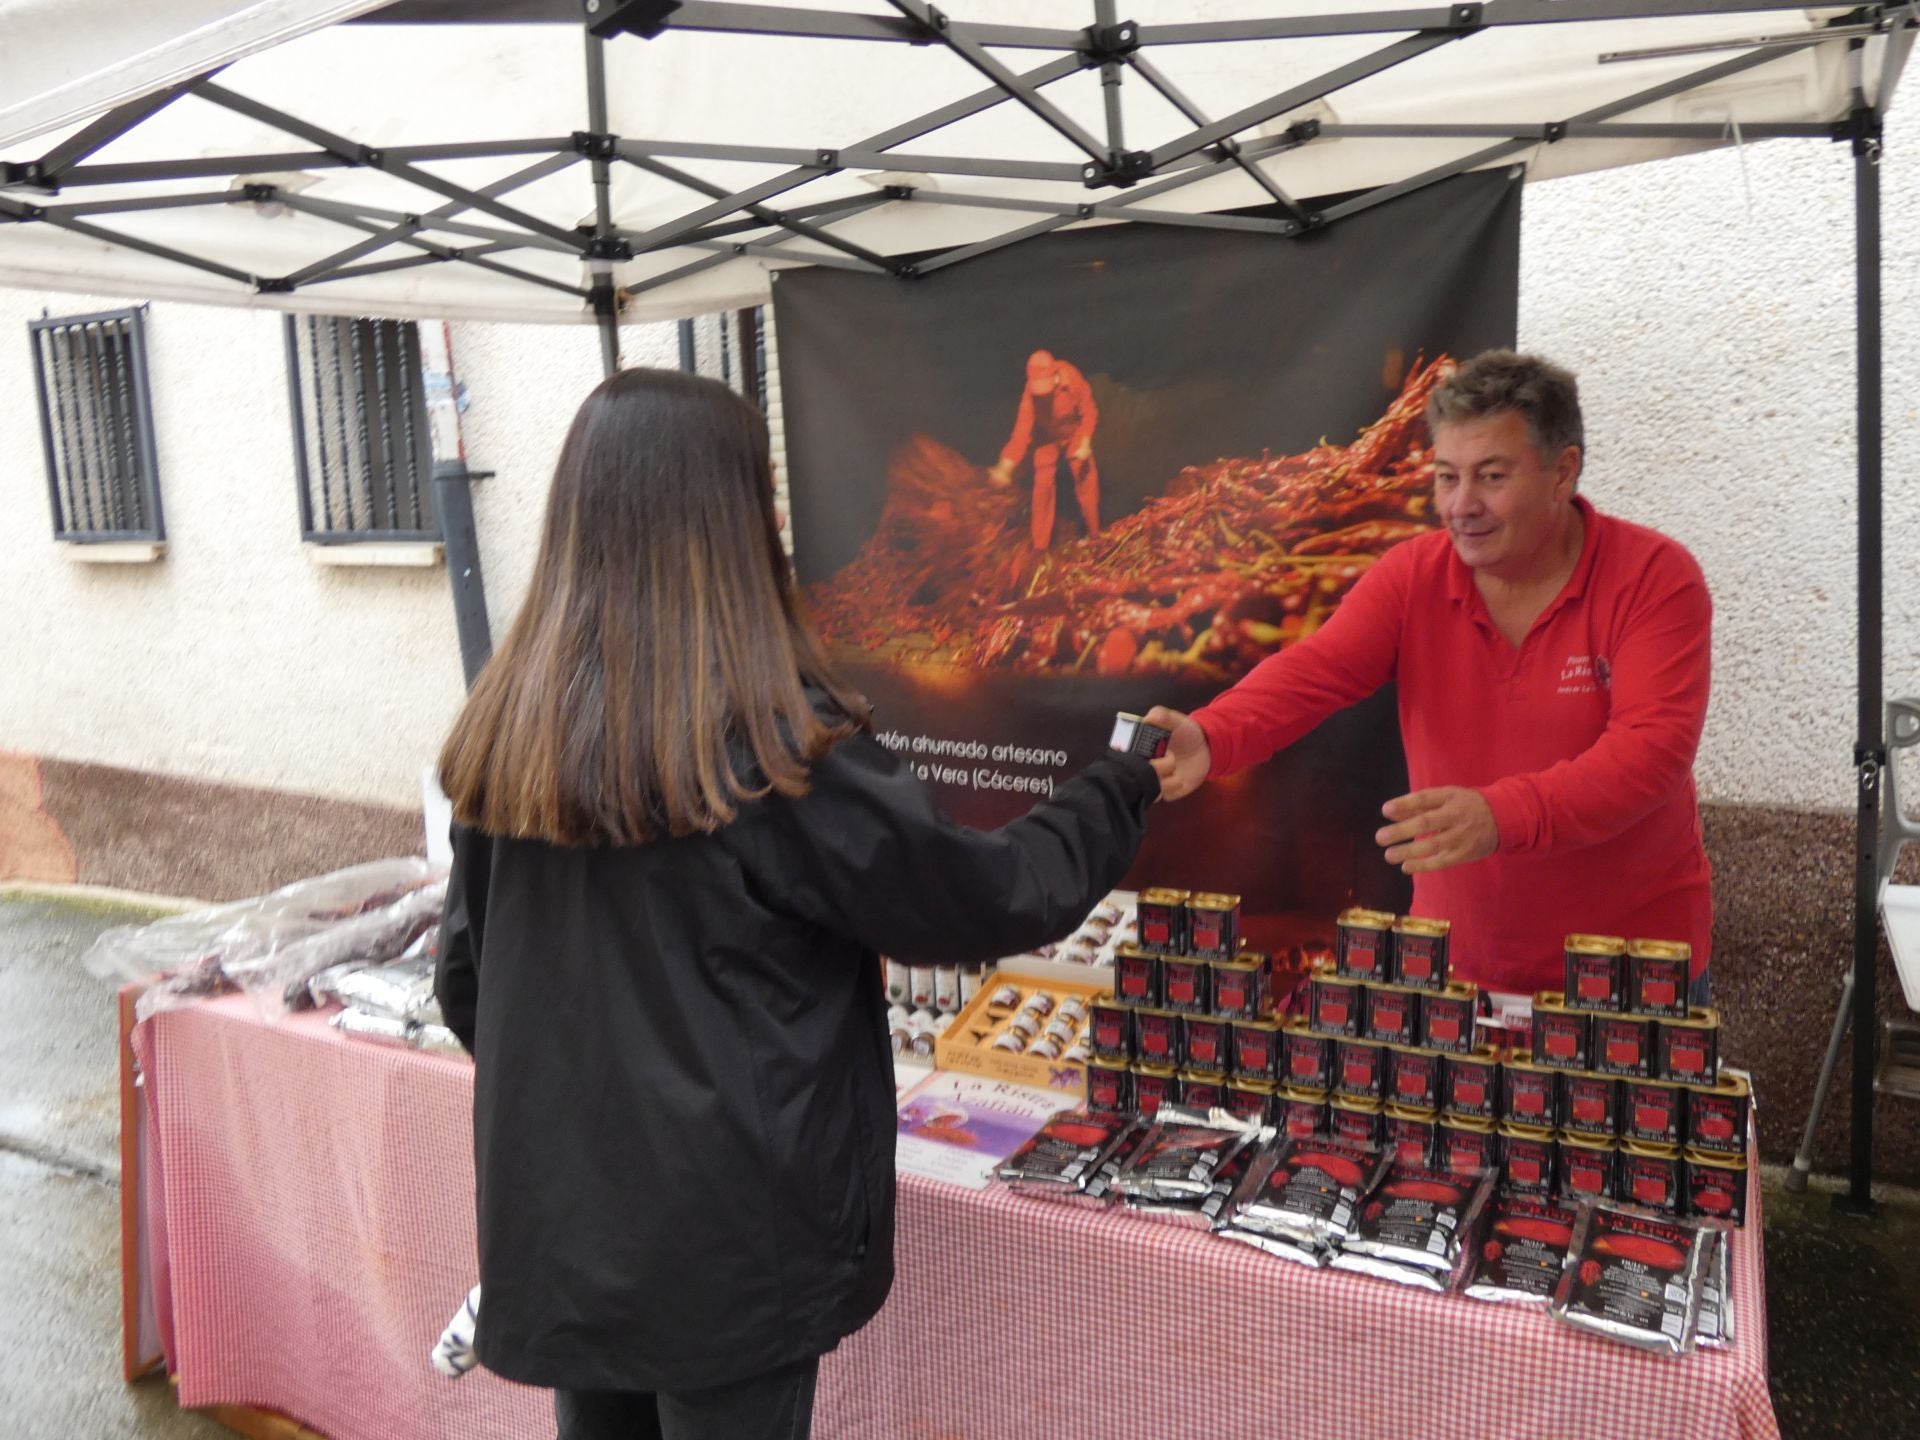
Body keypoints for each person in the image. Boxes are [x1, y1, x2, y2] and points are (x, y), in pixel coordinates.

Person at [431, 367, 1158, 1440]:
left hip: (570, 1224)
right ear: (732, 522)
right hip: (730, 1237)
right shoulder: (769, 742)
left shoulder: (515, 724)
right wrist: (1122, 780)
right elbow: (982, 898)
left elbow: (466, 988)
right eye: (761, 493)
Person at [1145, 351, 1713, 1000]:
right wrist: (1213, 736)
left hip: (1634, 975)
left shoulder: (1654, 578)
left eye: (1491, 476)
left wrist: (1500, 815)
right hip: (1458, 968)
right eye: (1447, 477)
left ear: (1563, 473)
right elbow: (1314, 670)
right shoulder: (1414, 574)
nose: (1461, 505)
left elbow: (1651, 751)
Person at [988, 348, 1101, 551]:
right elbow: (1021, 433)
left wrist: (1085, 442)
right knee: (1042, 485)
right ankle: (1040, 549)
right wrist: (1004, 468)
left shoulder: (1071, 377)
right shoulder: (1030, 395)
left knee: (1085, 477)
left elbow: (1089, 412)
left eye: (1045, 388)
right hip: (1046, 437)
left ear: (1056, 376)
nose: (1042, 395)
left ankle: (1096, 536)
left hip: (1073, 431)